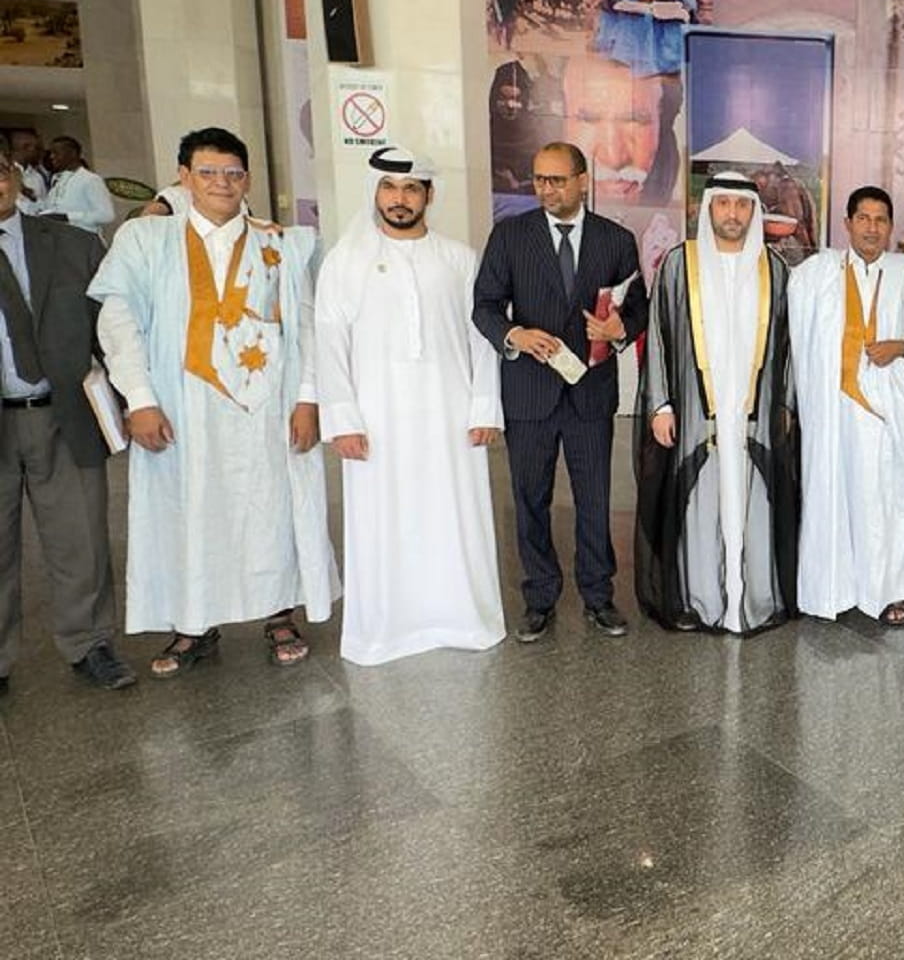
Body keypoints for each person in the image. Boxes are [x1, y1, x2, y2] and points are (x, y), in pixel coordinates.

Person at [89, 127, 337, 676]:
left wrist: (308, 398)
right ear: (184, 177)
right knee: (189, 510)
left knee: (270, 507)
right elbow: (119, 320)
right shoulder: (147, 240)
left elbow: (306, 326)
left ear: (247, 180)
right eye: (207, 173)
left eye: (232, 173)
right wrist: (140, 398)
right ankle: (192, 625)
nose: (221, 183)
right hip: (181, 406)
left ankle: (279, 614)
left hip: (267, 407)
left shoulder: (283, 244)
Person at [316, 147, 505, 666]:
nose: (399, 199)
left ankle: (462, 619)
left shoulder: (459, 259)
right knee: (383, 518)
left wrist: (484, 407)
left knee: (454, 515)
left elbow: (482, 338)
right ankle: (387, 630)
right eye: (389, 188)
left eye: (411, 189)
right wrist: (343, 420)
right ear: (375, 193)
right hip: (377, 419)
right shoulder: (345, 261)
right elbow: (328, 343)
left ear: (428, 195)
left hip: (450, 414)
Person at [473, 141, 647, 643]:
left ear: (583, 180)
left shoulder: (616, 240)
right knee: (530, 499)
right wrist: (515, 335)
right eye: (539, 180)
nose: (545, 189)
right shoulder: (510, 236)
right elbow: (484, 305)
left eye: (557, 180)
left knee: (595, 499)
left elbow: (637, 306)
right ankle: (539, 598)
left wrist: (618, 330)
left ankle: (598, 596)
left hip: (590, 395)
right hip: (530, 394)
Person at [635, 172, 797, 633]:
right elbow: (658, 336)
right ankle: (703, 600)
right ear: (708, 208)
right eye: (723, 203)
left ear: (754, 212)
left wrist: (785, 405)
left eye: (742, 205)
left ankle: (756, 599)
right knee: (700, 508)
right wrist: (661, 405)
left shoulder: (776, 269)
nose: (732, 214)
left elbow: (790, 346)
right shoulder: (679, 264)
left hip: (753, 416)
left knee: (754, 505)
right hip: (695, 411)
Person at [0, 147, 130, 692]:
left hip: (64, 412)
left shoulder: (74, 244)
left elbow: (113, 328)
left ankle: (89, 642)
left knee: (81, 539)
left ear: (12, 177)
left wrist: (130, 400)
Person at [788, 185, 904, 626]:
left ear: (891, 227)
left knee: (889, 502)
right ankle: (832, 590)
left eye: (881, 220)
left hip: (890, 414)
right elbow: (797, 342)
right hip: (834, 412)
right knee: (834, 498)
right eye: (864, 219)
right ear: (847, 224)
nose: (872, 228)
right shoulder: (815, 274)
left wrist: (900, 346)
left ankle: (889, 592)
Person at [25, 137, 115, 239]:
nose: (51, 157)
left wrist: (68, 217)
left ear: (72, 154)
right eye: (51, 153)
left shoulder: (90, 179)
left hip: (85, 241)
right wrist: (31, 197)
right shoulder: (58, 180)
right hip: (62, 240)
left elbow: (107, 215)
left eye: (56, 153)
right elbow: (50, 208)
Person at [7, 130, 48, 204]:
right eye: (36, 148)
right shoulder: (5, 173)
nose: (38, 152)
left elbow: (44, 205)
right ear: (26, 148)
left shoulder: (38, 176)